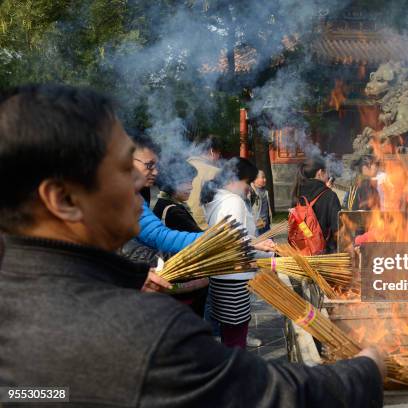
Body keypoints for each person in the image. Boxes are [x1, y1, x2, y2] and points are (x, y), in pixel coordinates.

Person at [0, 84, 385, 407]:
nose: (139, 186)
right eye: (123, 170)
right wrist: (367, 368)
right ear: (64, 199)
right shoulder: (141, 331)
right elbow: (270, 395)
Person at [202, 158, 276, 349]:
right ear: (235, 179)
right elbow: (235, 240)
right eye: (247, 182)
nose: (249, 188)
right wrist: (263, 248)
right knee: (236, 335)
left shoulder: (216, 197)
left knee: (228, 332)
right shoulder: (233, 201)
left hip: (220, 275)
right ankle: (236, 372)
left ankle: (229, 368)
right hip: (235, 277)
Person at [153, 158, 207, 317]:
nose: (191, 187)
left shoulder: (163, 204)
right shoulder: (173, 211)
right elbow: (201, 240)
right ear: (171, 182)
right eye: (186, 182)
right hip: (183, 282)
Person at [291, 155, 342, 253]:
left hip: (300, 252)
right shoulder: (330, 196)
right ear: (320, 172)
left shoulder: (297, 192)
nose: (328, 176)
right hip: (324, 254)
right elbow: (338, 229)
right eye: (326, 172)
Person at [187, 136, 221, 229]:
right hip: (203, 228)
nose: (218, 158)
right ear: (212, 151)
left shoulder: (181, 166)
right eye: (219, 153)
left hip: (176, 223)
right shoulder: (215, 172)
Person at [250, 170, 273, 236]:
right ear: (255, 179)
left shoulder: (265, 191)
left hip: (266, 224)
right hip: (256, 226)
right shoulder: (251, 192)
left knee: (270, 243)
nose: (265, 179)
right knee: (258, 245)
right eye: (262, 177)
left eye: (265, 177)